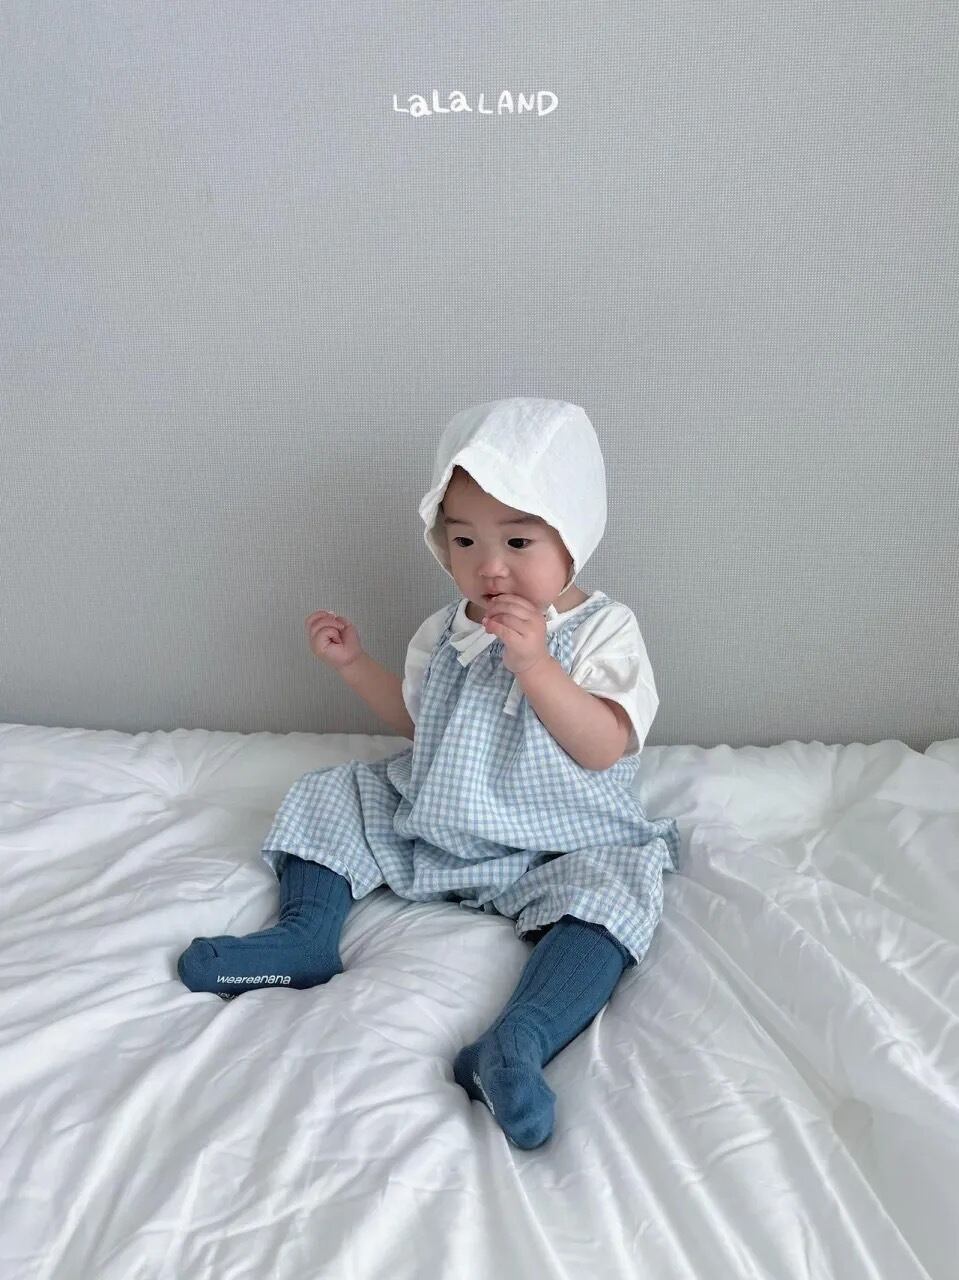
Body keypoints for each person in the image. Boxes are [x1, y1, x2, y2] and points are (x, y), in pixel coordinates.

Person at [178, 397, 680, 1149]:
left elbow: (604, 745)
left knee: (614, 897)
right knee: (337, 791)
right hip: (441, 822)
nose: (490, 565)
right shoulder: (447, 629)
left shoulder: (602, 630)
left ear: (572, 536)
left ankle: (518, 1041)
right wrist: (354, 666)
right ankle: (304, 936)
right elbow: (423, 722)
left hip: (560, 843)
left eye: (518, 540)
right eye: (464, 539)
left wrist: (537, 666)